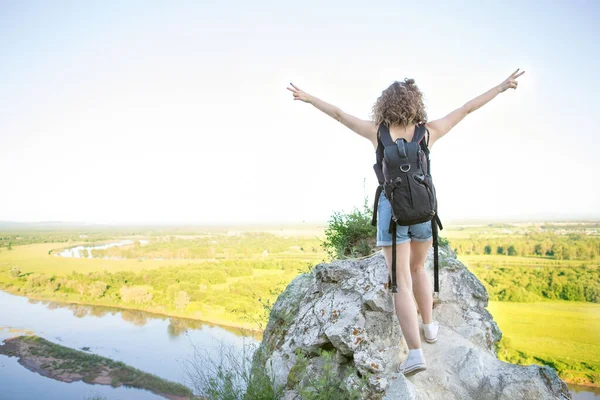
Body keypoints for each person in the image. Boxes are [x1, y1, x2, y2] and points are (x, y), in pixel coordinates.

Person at [286, 68, 525, 376]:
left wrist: (309, 98)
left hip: (392, 211)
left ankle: (415, 354)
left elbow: (338, 114)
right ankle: (429, 326)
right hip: (425, 210)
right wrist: (501, 87)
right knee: (418, 268)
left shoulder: (378, 133)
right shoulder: (429, 132)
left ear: (384, 105)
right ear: (416, 103)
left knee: (400, 282)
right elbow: (467, 108)